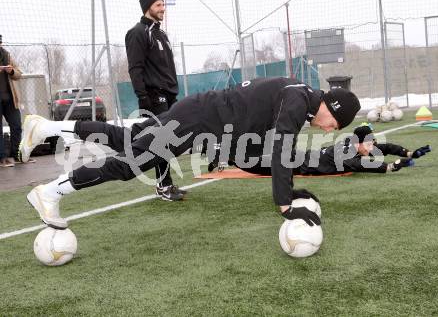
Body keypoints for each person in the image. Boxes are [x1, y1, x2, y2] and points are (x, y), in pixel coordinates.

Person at [19, 77, 360, 229]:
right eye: (336, 124)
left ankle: (44, 128)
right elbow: (282, 148)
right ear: (331, 107)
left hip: (197, 117)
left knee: (128, 139)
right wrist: (285, 205)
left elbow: (255, 158)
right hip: (196, 120)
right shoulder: (298, 100)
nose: (331, 131)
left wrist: (289, 189)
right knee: (131, 164)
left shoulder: (297, 95)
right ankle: (48, 192)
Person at [125, 0, 184, 201]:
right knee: (161, 139)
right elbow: (135, 68)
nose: (162, 8)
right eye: (158, 5)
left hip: (168, 94)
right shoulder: (138, 32)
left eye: (163, 5)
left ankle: (166, 183)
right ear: (148, 7)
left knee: (170, 138)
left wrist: (173, 90)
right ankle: (163, 186)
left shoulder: (161, 34)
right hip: (153, 95)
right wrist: (142, 97)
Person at [230, 123, 431, 176]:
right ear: (359, 143)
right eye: (369, 144)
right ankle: (229, 157)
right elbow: (358, 165)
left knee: (257, 156)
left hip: (301, 156)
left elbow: (385, 147)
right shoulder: (347, 153)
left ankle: (232, 154)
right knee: (252, 164)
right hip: (295, 164)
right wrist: (390, 167)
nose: (372, 147)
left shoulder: (356, 145)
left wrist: (409, 153)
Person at [0, 34, 23, 167]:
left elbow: (19, 73)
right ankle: (2, 158)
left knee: (16, 126)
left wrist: (12, 71)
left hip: (10, 99)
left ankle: (16, 154)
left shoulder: (7, 55)